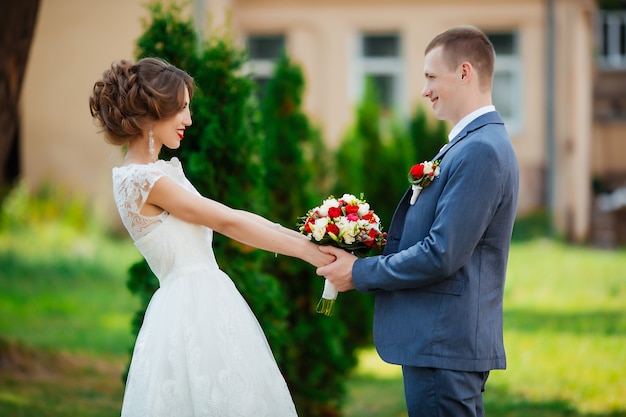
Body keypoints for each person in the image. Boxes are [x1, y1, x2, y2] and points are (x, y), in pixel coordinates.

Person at [89, 57, 334, 417]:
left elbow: (230, 217)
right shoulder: (144, 181)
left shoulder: (154, 173)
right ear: (155, 110)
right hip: (193, 311)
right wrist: (309, 253)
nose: (189, 120)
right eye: (182, 109)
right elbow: (229, 222)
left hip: (204, 302)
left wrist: (309, 243)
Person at [316, 26, 519, 417]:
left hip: (443, 345)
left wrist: (359, 272)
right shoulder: (470, 143)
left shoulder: (480, 150)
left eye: (430, 76)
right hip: (442, 345)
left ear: (464, 73)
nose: (424, 90)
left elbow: (442, 253)